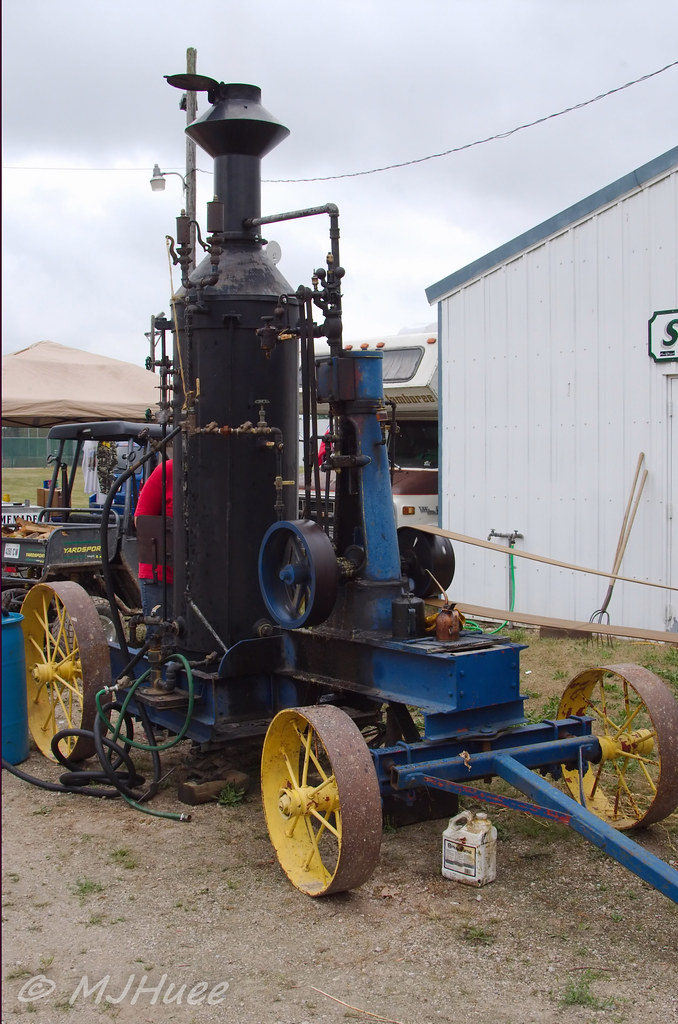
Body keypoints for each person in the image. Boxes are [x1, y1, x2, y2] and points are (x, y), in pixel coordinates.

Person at [134, 459, 173, 623]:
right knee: (161, 636)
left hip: (199, 575)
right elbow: (141, 521)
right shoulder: (167, 471)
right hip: (161, 574)